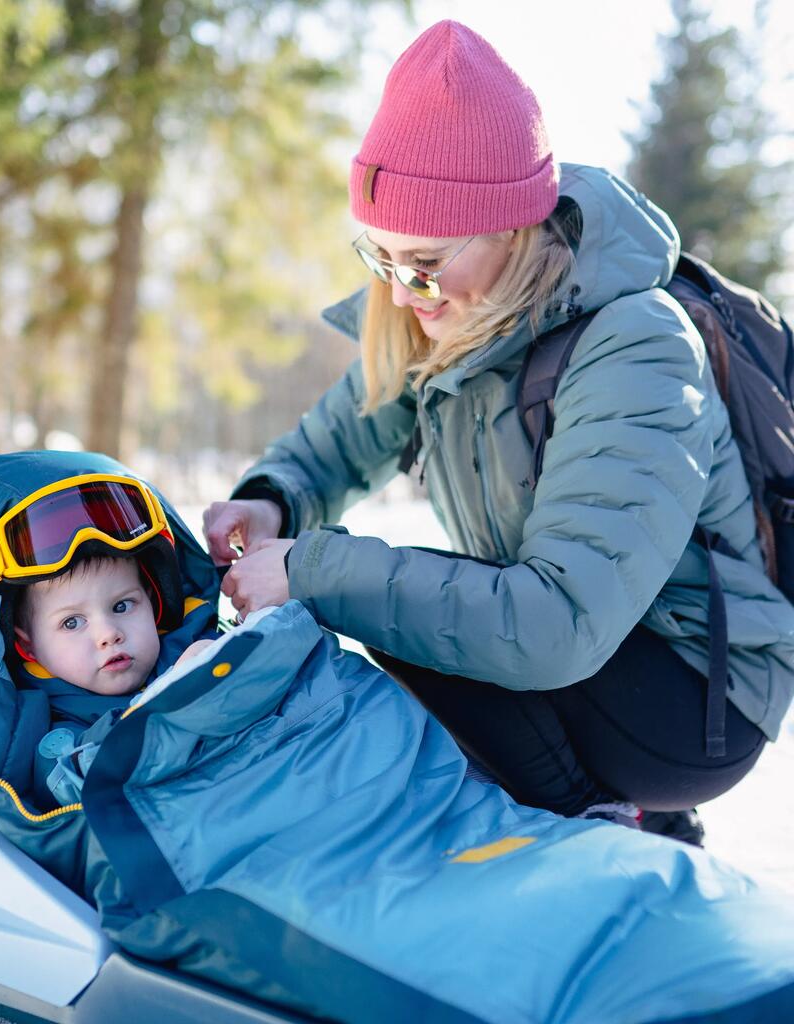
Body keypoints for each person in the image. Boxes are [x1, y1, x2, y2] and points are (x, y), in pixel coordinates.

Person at [203, 20, 794, 842]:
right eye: (380, 259)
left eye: (425, 261)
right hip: (583, 652)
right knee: (395, 602)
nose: (405, 290)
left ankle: (615, 824)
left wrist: (315, 569)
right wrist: (270, 503)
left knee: (387, 599)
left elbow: (556, 626)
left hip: (697, 700)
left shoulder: (634, 344)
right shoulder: (448, 314)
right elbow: (339, 438)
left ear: (513, 226)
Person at [0, 471, 216, 806]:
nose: (108, 634)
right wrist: (167, 703)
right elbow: (77, 780)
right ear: (28, 645)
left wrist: (229, 663)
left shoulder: (194, 645)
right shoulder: (48, 729)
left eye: (122, 605)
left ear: (153, 600)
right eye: (72, 622)